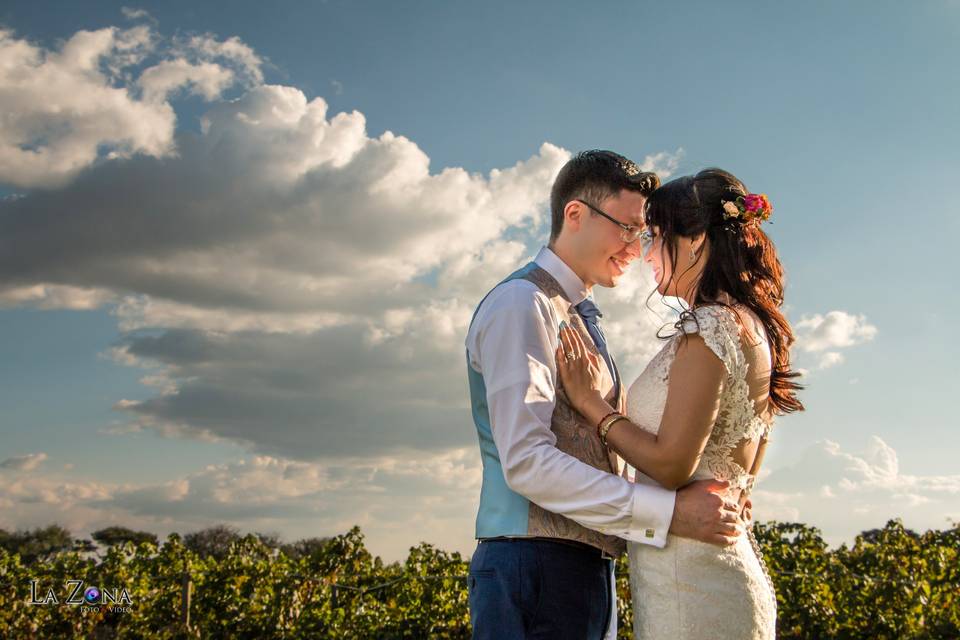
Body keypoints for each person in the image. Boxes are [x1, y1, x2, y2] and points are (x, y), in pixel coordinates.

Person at [464, 152, 748, 640]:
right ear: (575, 215)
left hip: (582, 567)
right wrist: (670, 513)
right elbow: (527, 460)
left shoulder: (574, 311)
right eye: (627, 228)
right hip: (532, 566)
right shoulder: (522, 303)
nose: (636, 248)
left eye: (643, 234)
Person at [556, 168, 805, 639]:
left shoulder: (709, 327)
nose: (646, 254)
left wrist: (592, 405)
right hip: (713, 565)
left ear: (692, 241)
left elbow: (671, 465)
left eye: (654, 237)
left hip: (692, 582)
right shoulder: (752, 325)